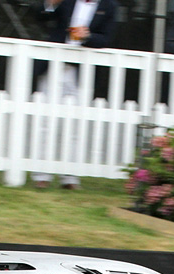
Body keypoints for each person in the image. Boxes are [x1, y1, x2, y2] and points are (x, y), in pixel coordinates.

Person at [29, 0, 119, 189]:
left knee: (76, 124)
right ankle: (41, 175)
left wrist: (88, 36)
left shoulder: (110, 6)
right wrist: (50, 4)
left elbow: (106, 39)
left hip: (81, 72)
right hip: (53, 65)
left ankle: (69, 177)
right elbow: (40, 18)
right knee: (45, 121)